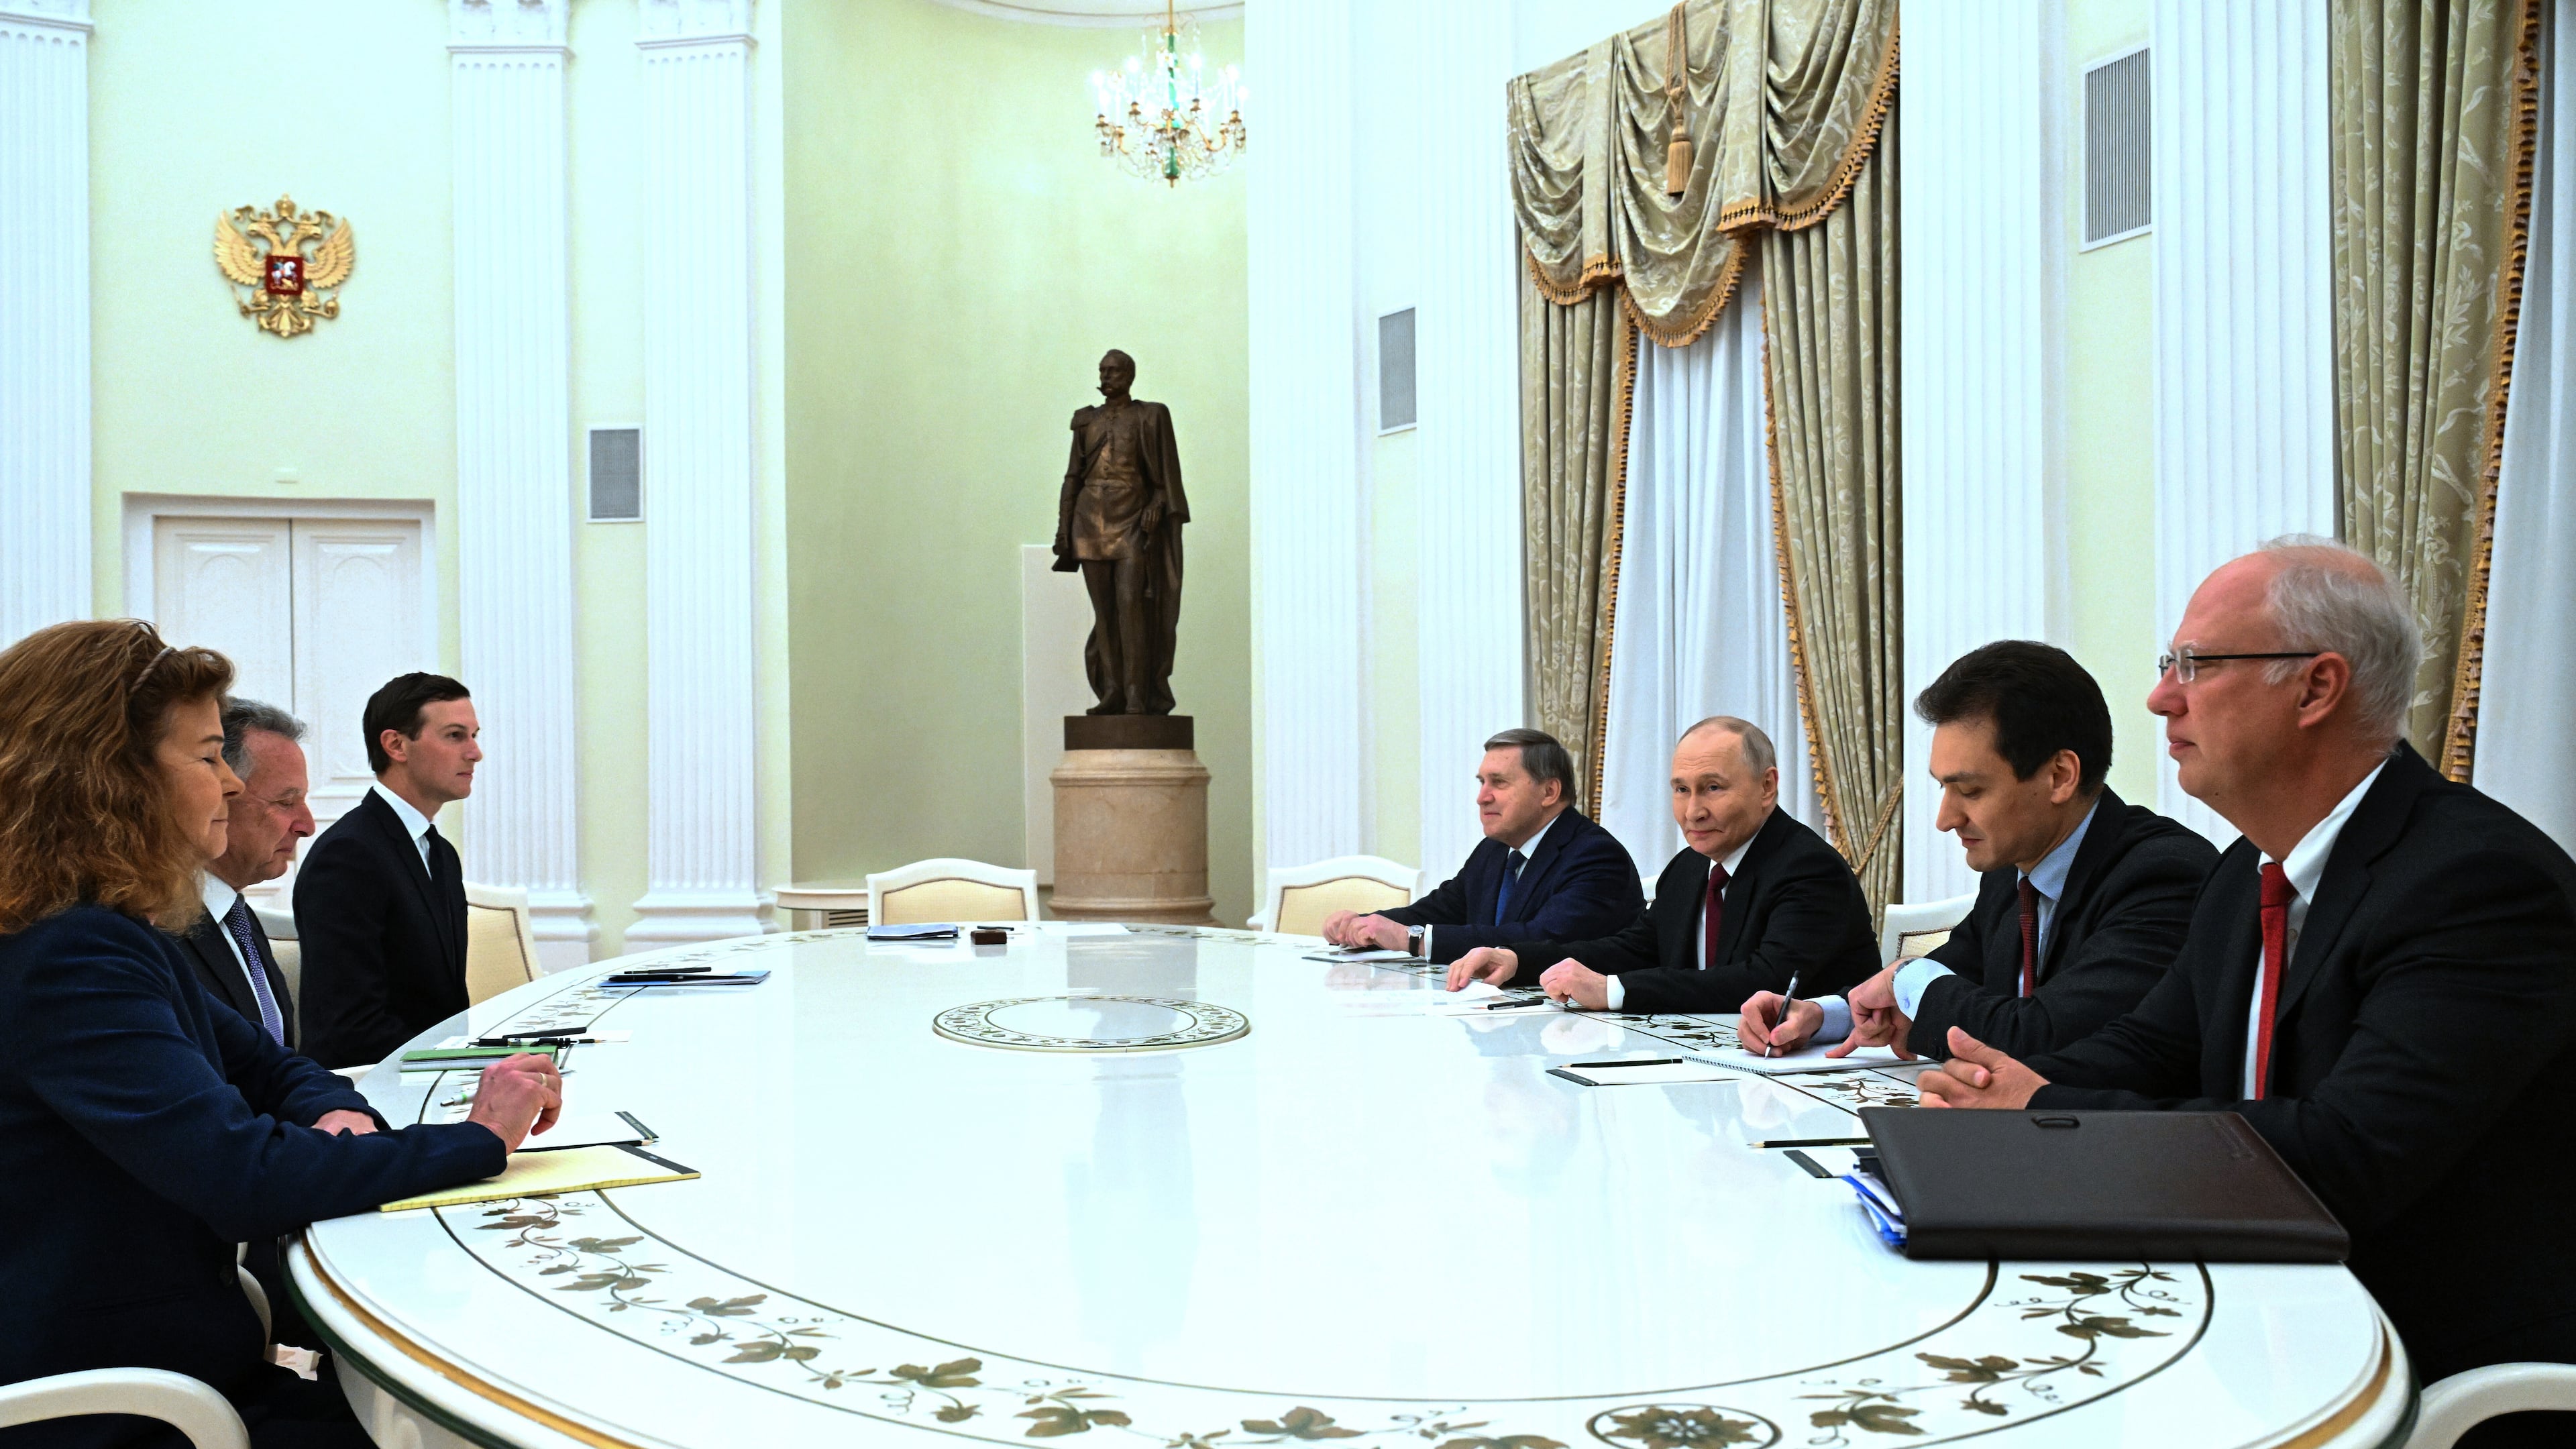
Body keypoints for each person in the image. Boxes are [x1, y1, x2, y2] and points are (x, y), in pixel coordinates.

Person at [1912, 541, 2576, 1444]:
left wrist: (2052, 1110)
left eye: (2198, 666)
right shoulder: (2242, 873)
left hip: (2421, 1371)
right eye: (2168, 666)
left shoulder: (2478, 881)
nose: (2160, 698)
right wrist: (1996, 1096)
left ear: (2316, 688)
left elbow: (2350, 1155)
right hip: (2252, 1313)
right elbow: (2148, 1048)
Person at [0, 620, 559, 1449]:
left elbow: (274, 1068)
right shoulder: (71, 953)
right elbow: (243, 1175)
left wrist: (337, 1115)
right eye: (207, 756)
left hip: (185, 1365)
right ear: (112, 781)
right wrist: (480, 1139)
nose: (231, 784)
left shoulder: (115, 932)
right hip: (127, 1408)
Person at [1740, 642, 2214, 1060]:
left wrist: (1905, 981)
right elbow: (1953, 970)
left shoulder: (2163, 875)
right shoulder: (2012, 869)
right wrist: (1824, 1014)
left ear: (2060, 777)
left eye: (1969, 790)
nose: (1946, 819)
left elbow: (2044, 1038)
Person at [1447, 716, 1876, 1012]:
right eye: (1681, 790)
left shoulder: (1809, 868)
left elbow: (1764, 981)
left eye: (1712, 788)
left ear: (1767, 787)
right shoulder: (1690, 867)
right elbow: (1635, 947)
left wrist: (1614, 990)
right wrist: (1520, 960)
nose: (1693, 811)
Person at [1321, 728, 1641, 964]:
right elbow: (1442, 909)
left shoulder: (1596, 856)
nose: (1482, 797)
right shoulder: (1495, 850)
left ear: (1549, 792)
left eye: (1499, 783)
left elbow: (1542, 939)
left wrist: (1412, 939)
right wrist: (1366, 925)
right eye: (1482, 782)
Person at [294, 673, 480, 1069]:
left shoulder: (441, 853)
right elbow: (351, 1029)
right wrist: (470, 1065)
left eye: (474, 736)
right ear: (396, 745)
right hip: (369, 1091)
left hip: (430, 1076)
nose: (475, 752)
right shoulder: (348, 856)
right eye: (454, 736)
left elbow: (441, 1006)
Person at [180, 700, 312, 1052]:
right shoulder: (158, 927)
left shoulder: (235, 915)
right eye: (286, 803)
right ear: (220, 797)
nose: (307, 826)